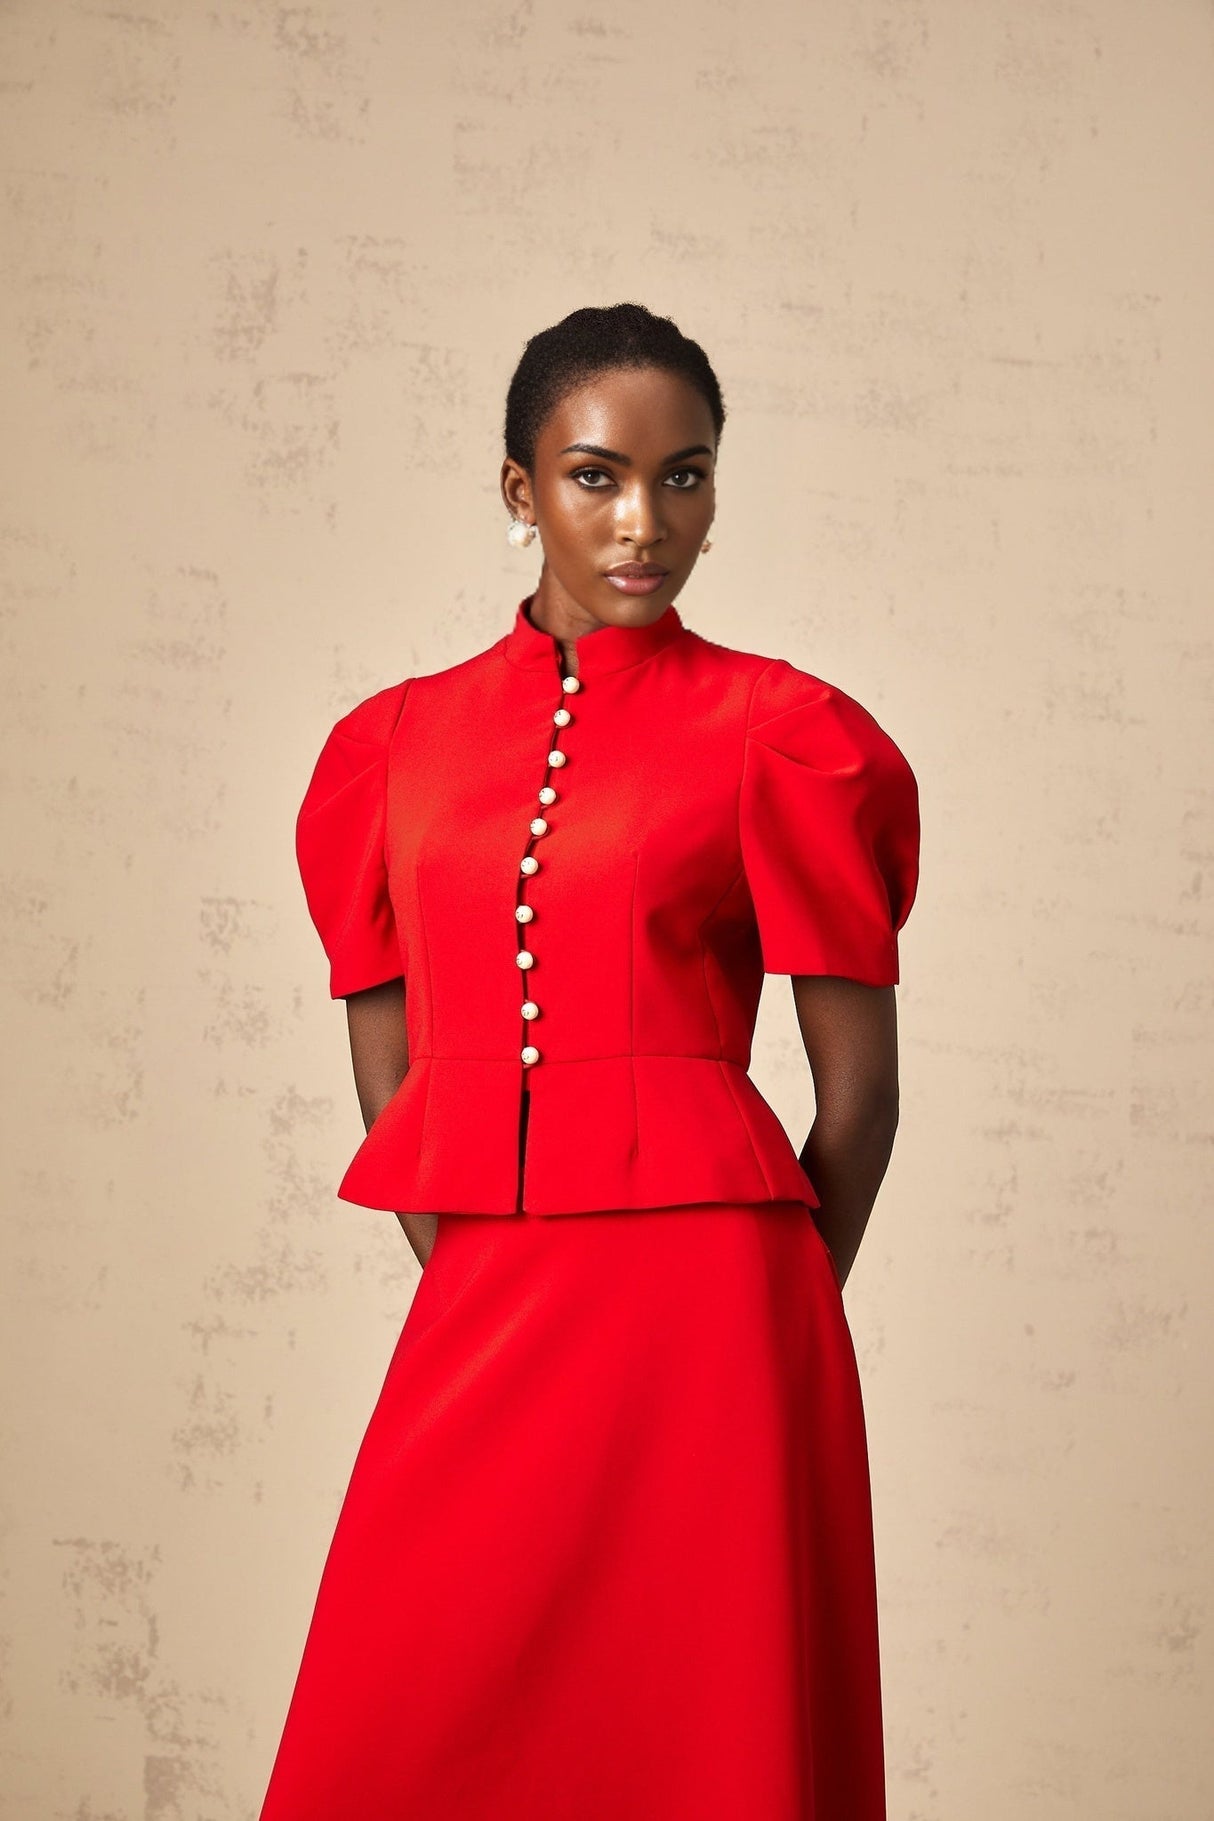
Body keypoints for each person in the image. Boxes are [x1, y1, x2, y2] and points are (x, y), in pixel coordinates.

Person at [258, 302, 921, 1821]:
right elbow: (393, 1074)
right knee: (409, 1699)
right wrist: (478, 1263)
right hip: (490, 1280)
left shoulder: (786, 732)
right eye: (597, 477)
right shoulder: (392, 750)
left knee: (710, 1724)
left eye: (683, 478)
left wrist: (773, 1311)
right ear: (519, 492)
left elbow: (860, 1097)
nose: (645, 523)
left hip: (725, 1311)